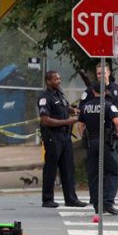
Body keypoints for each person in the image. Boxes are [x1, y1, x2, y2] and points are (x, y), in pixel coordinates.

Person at [38, 70, 87, 208]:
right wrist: (67, 122)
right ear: (48, 81)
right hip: (53, 137)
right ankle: (47, 199)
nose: (58, 81)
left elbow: (65, 108)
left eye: (59, 78)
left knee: (68, 168)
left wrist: (75, 111)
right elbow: (45, 120)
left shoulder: (60, 94)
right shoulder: (45, 98)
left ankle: (71, 199)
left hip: (65, 137)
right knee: (51, 168)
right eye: (55, 79)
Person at [77, 81, 118, 215]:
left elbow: (80, 125)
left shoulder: (86, 106)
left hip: (91, 143)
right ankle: (108, 202)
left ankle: (97, 205)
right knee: (113, 171)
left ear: (93, 92)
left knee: (94, 174)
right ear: (106, 92)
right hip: (106, 142)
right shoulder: (109, 105)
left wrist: (84, 137)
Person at [79, 63, 118, 130]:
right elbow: (81, 110)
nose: (101, 76)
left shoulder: (117, 89)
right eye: (99, 73)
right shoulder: (90, 90)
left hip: (113, 131)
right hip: (95, 131)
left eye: (103, 73)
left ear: (109, 73)